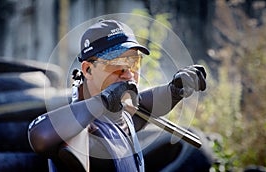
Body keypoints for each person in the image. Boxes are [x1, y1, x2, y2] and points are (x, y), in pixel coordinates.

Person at [28, 19, 213, 172]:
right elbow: (40, 137)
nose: (129, 74)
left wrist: (174, 90)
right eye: (117, 64)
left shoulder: (119, 114)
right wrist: (103, 101)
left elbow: (146, 106)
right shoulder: (76, 127)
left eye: (134, 63)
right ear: (88, 69)